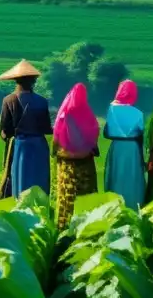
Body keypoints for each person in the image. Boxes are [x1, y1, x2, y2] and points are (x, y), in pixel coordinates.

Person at [0, 60, 52, 200]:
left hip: (21, 146)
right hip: (40, 146)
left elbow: (5, 130)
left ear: (16, 81)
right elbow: (46, 128)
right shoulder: (42, 101)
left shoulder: (9, 100)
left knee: (21, 179)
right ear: (33, 81)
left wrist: (7, 138)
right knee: (39, 179)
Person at [52, 83, 100, 228]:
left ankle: (64, 224)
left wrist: (56, 152)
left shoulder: (63, 115)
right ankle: (87, 224)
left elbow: (56, 138)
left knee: (67, 193)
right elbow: (94, 135)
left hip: (67, 162)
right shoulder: (88, 115)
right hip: (85, 161)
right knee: (85, 194)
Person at [103, 79, 146, 210]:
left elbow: (107, 132)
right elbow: (140, 134)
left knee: (116, 177)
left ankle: (115, 207)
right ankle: (133, 206)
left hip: (117, 146)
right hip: (132, 148)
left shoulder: (112, 109)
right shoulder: (138, 113)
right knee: (132, 179)